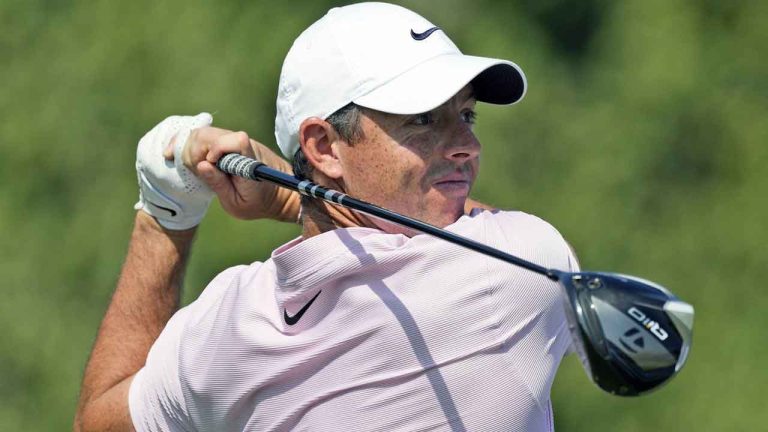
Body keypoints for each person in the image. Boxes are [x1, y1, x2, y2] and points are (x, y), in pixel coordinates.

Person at [75, 3, 579, 431]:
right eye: (423, 119)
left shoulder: (226, 325)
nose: (468, 146)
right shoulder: (519, 270)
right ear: (322, 147)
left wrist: (166, 213)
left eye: (466, 115)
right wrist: (286, 197)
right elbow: (490, 229)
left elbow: (98, 419)